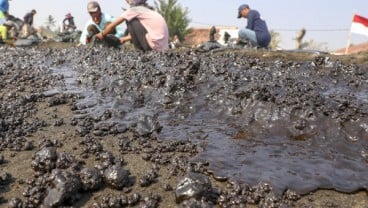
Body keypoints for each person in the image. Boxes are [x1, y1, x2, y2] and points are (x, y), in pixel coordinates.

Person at [95, 0, 169, 52]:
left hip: (153, 47)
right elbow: (145, 31)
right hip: (162, 47)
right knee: (133, 19)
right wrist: (124, 39)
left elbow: (112, 26)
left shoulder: (134, 10)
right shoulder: (148, 11)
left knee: (130, 20)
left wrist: (101, 34)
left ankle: (140, 50)